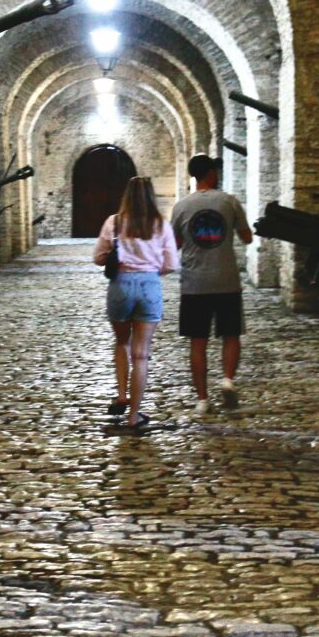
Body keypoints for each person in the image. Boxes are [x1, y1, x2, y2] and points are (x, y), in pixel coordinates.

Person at [92, 176, 178, 430]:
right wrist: (150, 271)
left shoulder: (114, 222)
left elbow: (98, 258)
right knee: (141, 354)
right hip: (150, 285)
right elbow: (172, 264)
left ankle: (121, 393)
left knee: (122, 342)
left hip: (120, 285)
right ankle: (134, 415)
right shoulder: (161, 225)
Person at [170, 153, 254, 415]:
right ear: (211, 173)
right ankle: (227, 379)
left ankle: (203, 399)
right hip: (226, 279)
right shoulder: (229, 201)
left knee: (198, 341)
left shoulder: (181, 207)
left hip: (195, 283)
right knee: (231, 335)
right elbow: (247, 237)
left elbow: (175, 244)